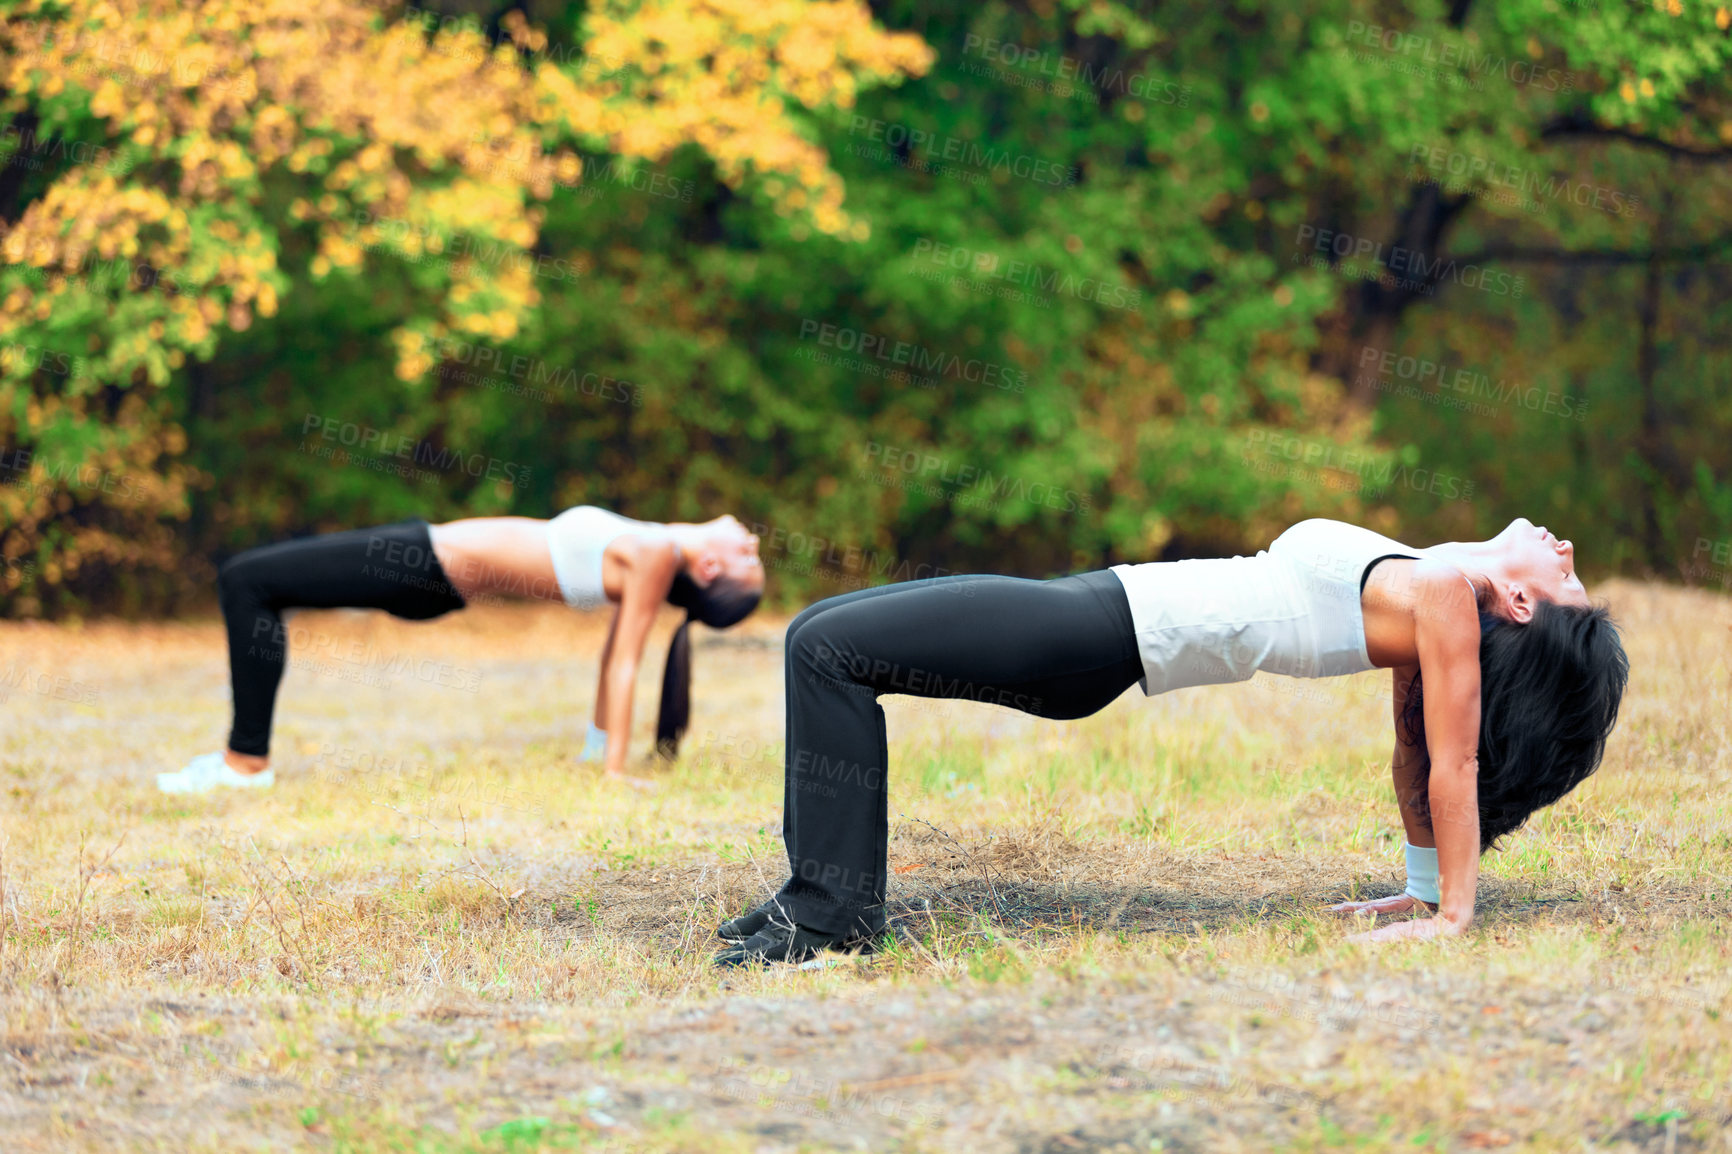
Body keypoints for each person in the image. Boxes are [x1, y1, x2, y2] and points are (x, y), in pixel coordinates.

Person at [714, 517, 1628, 965]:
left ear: (1519, 605)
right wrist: (1417, 891)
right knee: (822, 633)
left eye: (1568, 576)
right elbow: (1411, 748)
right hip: (1101, 605)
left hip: (1096, 636)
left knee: (825, 647)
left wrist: (1454, 917)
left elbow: (1455, 762)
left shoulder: (1440, 600)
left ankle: (831, 914)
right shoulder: (1430, 580)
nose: (1565, 544)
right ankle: (814, 900)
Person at [158, 507, 763, 793]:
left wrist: (610, 772)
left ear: (709, 568)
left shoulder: (656, 554)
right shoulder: (652, 545)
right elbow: (614, 658)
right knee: (255, 584)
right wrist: (595, 751)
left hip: (422, 562)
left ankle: (244, 765)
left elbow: (626, 661)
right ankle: (245, 761)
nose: (754, 538)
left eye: (749, 558)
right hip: (425, 555)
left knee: (246, 581)